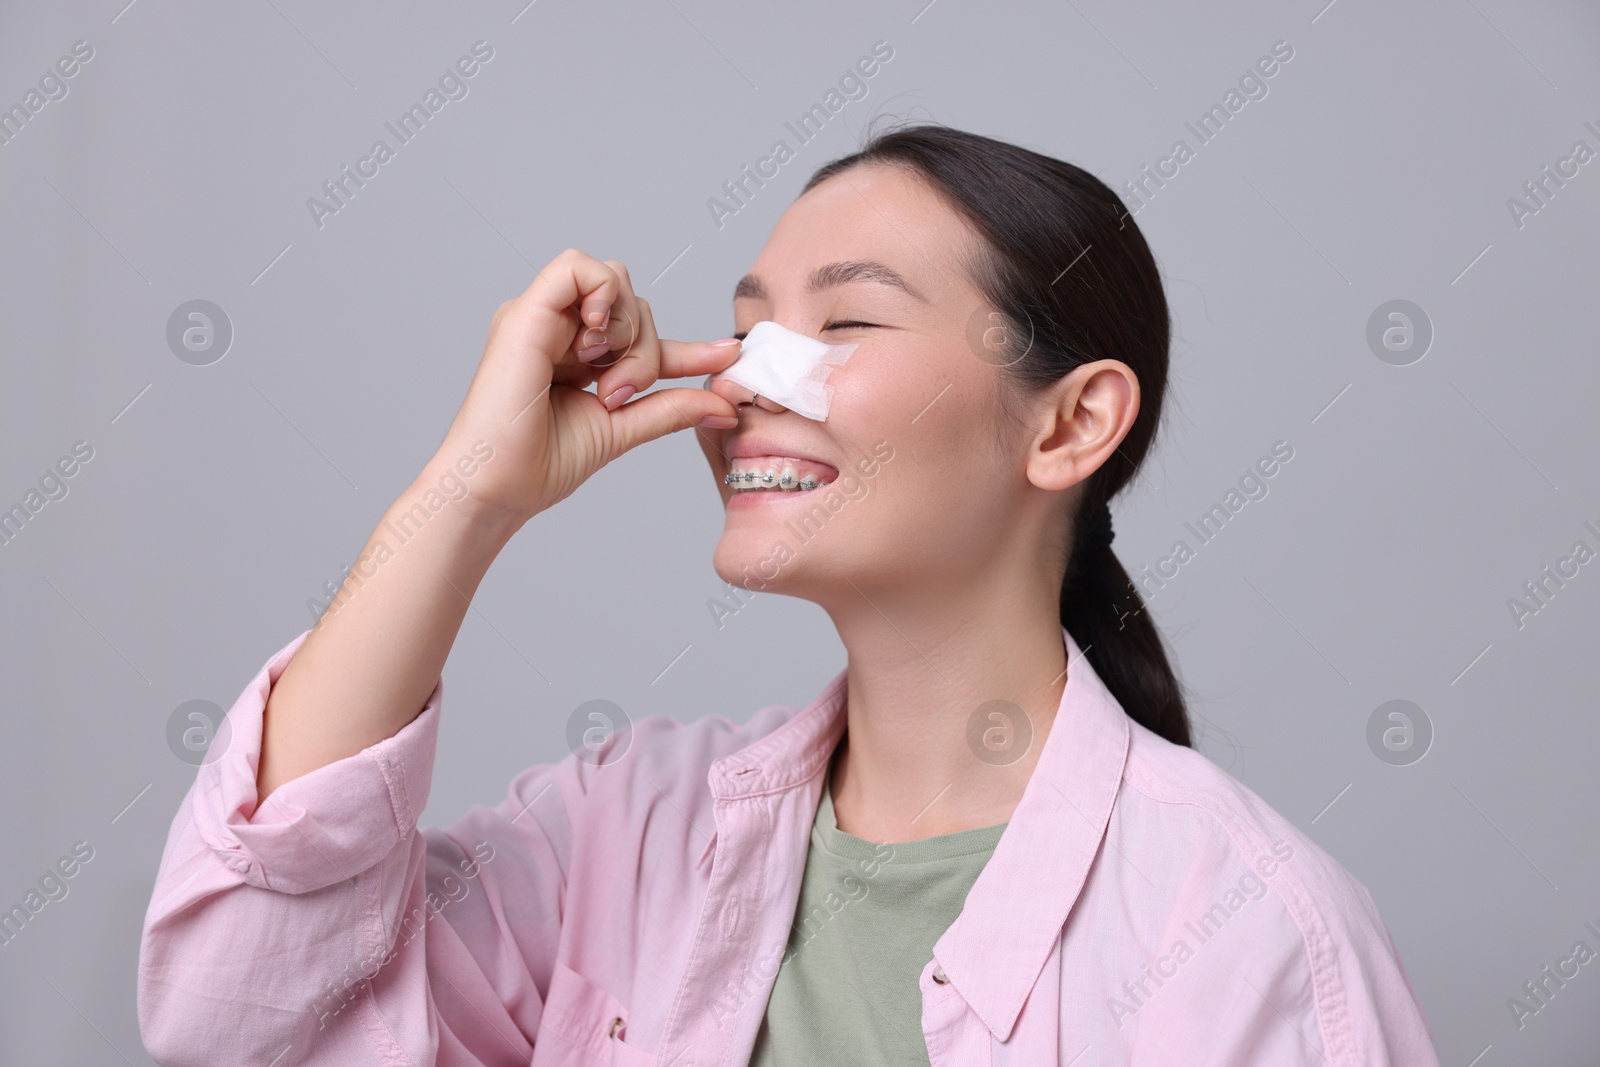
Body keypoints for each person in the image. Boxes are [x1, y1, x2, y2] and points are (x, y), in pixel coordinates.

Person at [137, 123, 1442, 1066]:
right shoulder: (630, 827)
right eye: (750, 323)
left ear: (1068, 426)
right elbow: (239, 1016)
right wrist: (469, 495)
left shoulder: (1243, 931)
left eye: (849, 325)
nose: (754, 376)